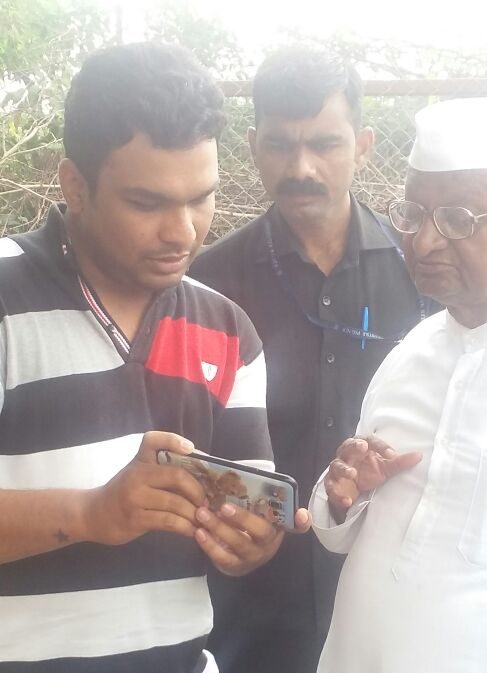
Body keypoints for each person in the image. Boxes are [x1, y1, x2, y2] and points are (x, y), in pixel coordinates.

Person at [0, 42, 309, 673]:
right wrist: (91, 513)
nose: (184, 232)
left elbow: (248, 524)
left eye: (202, 197)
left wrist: (249, 543)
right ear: (74, 186)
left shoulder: (229, 330)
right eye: (148, 203)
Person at [310, 96, 487, 673]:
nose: (425, 241)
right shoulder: (409, 353)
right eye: (413, 213)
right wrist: (343, 495)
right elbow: (344, 531)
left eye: (459, 219)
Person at [190, 47, 432, 673]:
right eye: (279, 145)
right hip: (250, 608)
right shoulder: (208, 288)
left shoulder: (421, 279)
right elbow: (190, 440)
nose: (301, 168)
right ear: (252, 147)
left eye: (325, 144)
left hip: (382, 602)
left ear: (364, 146)